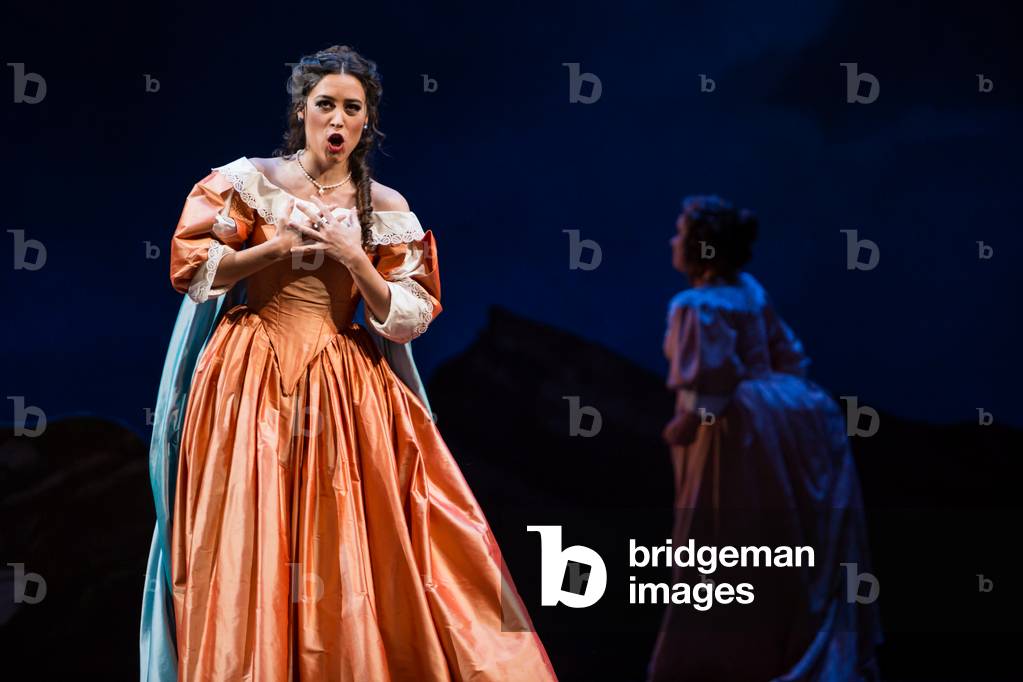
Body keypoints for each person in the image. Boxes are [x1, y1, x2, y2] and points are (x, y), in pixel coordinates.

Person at [139, 45, 558, 682]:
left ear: (368, 121)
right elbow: (193, 269)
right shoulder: (249, 181)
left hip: (340, 379)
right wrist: (275, 245)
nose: (337, 118)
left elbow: (410, 313)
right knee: (249, 528)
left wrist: (355, 258)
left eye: (351, 108)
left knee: (345, 535)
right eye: (325, 104)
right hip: (248, 374)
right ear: (302, 112)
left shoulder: (384, 206)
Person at [647, 196, 883, 681]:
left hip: (736, 429)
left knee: (724, 534)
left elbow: (707, 387)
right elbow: (790, 357)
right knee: (782, 537)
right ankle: (784, 646)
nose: (673, 241)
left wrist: (685, 425)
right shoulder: (750, 291)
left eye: (680, 232)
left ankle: (728, 658)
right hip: (791, 415)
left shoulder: (697, 305)